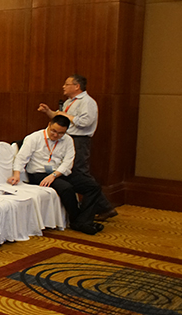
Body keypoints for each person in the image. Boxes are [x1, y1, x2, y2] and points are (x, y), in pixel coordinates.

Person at [38, 74, 118, 221]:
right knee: (73, 172)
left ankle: (104, 207)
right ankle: (100, 207)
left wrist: (65, 115)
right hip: (66, 139)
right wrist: (48, 111)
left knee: (80, 173)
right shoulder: (69, 102)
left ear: (77, 86)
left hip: (79, 141)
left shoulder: (87, 102)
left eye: (66, 84)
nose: (63, 87)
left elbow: (85, 122)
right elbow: (60, 121)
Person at [11, 114, 105, 235]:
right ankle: (80, 221)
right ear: (49, 125)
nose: (55, 135)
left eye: (60, 133)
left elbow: (68, 162)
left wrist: (54, 175)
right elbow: (21, 158)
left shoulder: (68, 140)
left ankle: (82, 222)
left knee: (93, 187)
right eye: (53, 131)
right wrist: (17, 174)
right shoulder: (34, 138)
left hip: (59, 172)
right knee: (66, 188)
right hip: (39, 173)